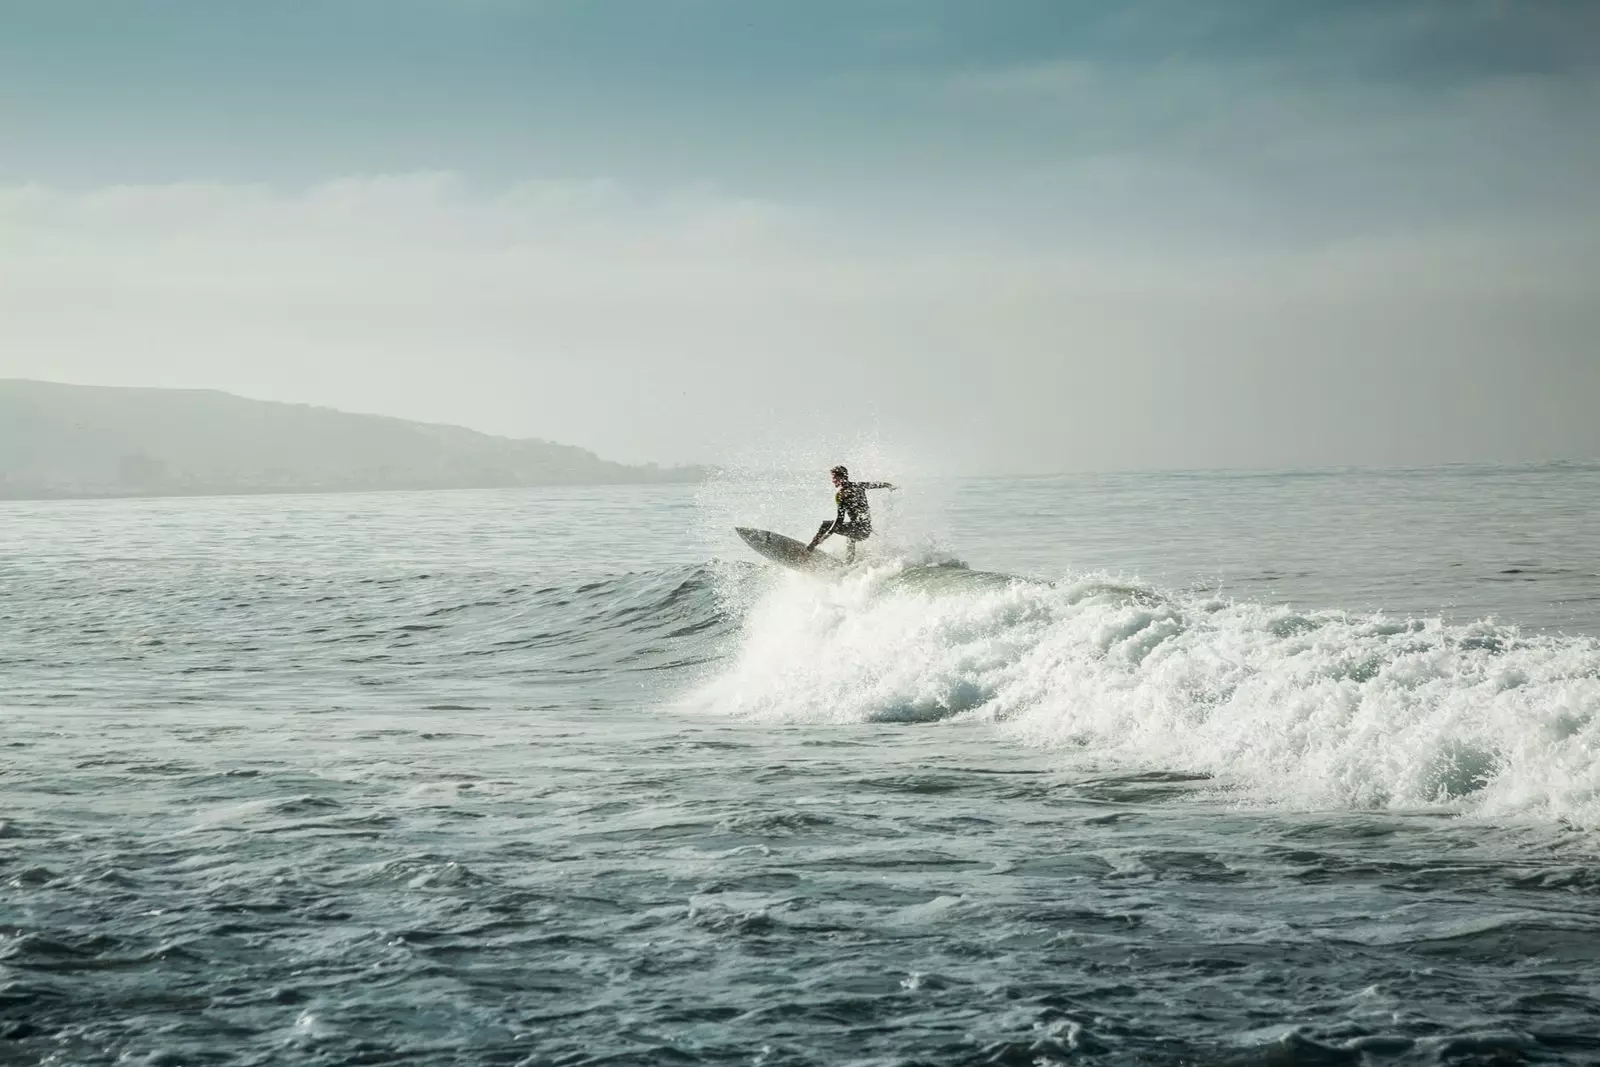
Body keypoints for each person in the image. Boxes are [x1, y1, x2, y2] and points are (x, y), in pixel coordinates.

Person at [806, 465, 896, 562]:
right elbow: (877, 484)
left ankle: (810, 548)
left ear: (840, 477)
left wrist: (827, 535)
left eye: (833, 478)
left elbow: (840, 519)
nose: (832, 481)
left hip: (859, 530)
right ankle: (849, 563)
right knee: (850, 537)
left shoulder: (841, 494)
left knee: (826, 524)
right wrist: (889, 485)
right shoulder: (859, 485)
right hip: (866, 529)